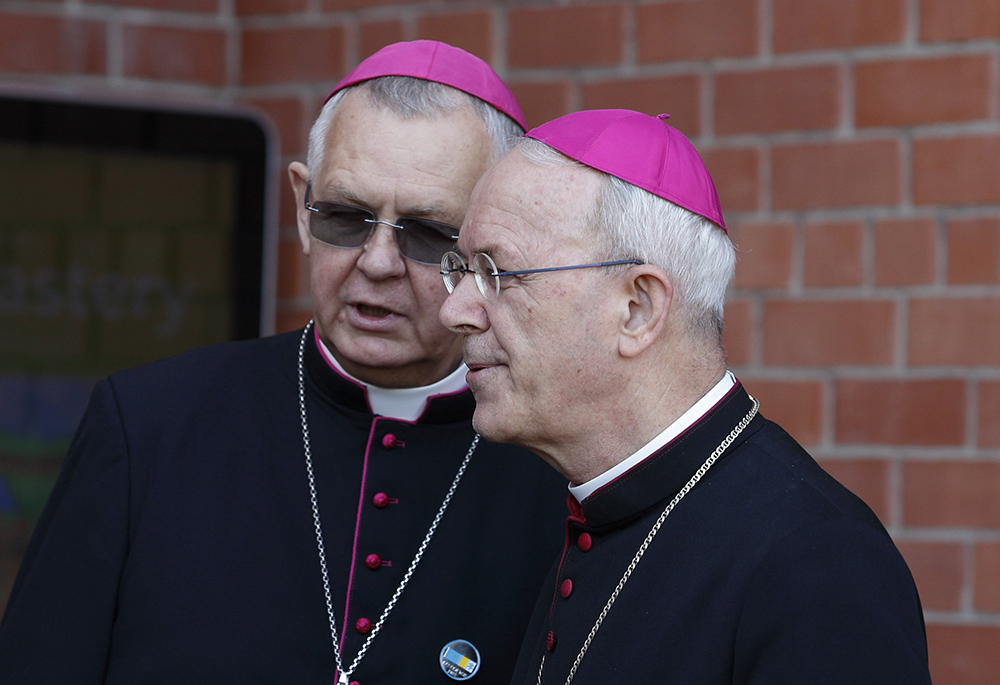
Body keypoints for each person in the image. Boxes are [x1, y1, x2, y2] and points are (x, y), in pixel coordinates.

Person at [0, 41, 567, 684]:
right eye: (347, 218)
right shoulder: (148, 428)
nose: (377, 262)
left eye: (427, 232)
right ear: (302, 206)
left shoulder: (556, 474)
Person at [439, 109, 933, 684]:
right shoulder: (591, 511)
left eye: (496, 272)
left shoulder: (818, 562)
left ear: (638, 308)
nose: (455, 312)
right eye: (462, 269)